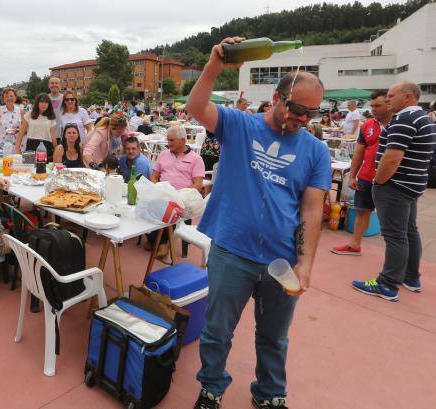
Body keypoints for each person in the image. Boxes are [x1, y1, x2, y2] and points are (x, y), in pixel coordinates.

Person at [188, 36, 331, 409]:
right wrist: (215, 64)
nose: (303, 119)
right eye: (298, 109)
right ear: (278, 98)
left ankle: (269, 395)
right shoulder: (239, 125)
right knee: (217, 331)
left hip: (281, 259)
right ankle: (211, 388)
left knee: (274, 336)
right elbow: (196, 106)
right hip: (233, 250)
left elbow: (312, 209)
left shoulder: (315, 150)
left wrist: (306, 264)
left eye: (311, 114)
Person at [352, 82, 436, 301]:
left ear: (407, 97)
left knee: (395, 236)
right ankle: (411, 277)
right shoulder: (423, 118)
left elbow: (392, 158)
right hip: (412, 184)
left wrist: (378, 182)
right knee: (409, 231)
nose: (387, 99)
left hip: (395, 186)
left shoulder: (404, 120)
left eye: (391, 95)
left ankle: (387, 285)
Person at [332, 91, 392, 256]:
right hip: (367, 176)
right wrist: (352, 175)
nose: (373, 109)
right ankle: (354, 244)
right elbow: (359, 152)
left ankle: (395, 257)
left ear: (389, 104)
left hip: (390, 179)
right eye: (372, 106)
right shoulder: (368, 126)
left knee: (393, 219)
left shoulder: (399, 124)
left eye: (377, 105)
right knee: (362, 210)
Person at [152, 126, 205, 190]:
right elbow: (154, 176)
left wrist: (179, 195)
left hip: (184, 197)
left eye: (172, 140)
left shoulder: (196, 159)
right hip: (163, 195)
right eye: (168, 140)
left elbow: (198, 185)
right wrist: (157, 188)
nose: (168, 143)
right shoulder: (163, 154)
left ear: (183, 140)